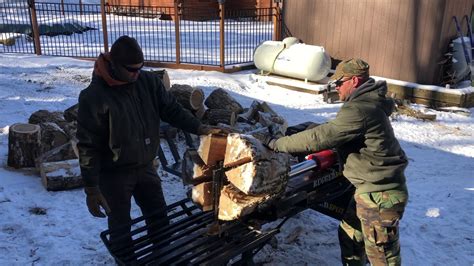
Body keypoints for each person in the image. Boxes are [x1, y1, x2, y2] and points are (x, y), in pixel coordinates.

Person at [76, 35, 223, 251]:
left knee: (159, 218)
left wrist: (199, 127)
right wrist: (91, 187)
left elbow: (171, 110)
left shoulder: (148, 82)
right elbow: (88, 144)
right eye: (131, 70)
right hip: (114, 173)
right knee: (120, 227)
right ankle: (125, 260)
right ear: (115, 65)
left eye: (140, 68)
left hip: (145, 166)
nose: (137, 74)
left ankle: (162, 256)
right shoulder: (94, 97)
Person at [265, 58, 408, 265]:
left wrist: (277, 143)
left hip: (379, 194)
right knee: (350, 235)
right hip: (371, 190)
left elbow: (322, 137)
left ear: (355, 81)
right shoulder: (367, 104)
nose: (336, 88)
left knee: (382, 257)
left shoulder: (360, 109)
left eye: (339, 83)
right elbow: (337, 130)